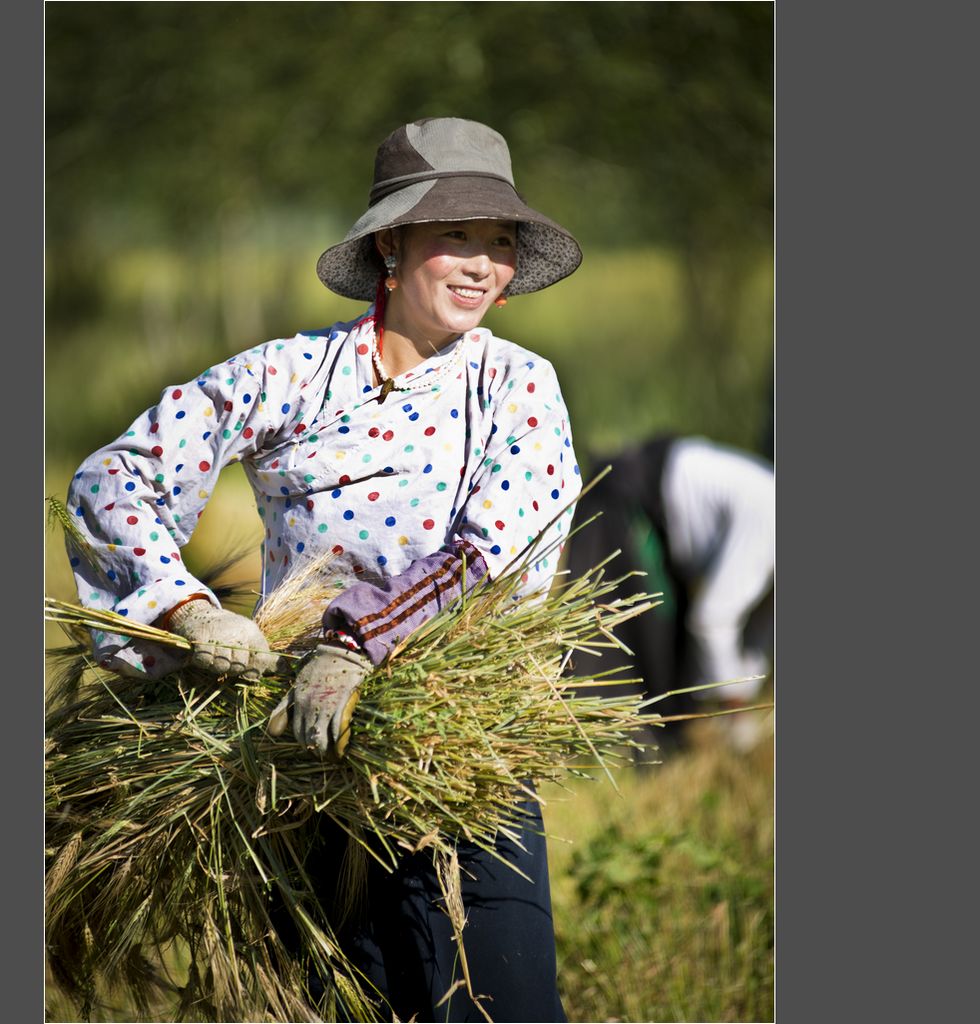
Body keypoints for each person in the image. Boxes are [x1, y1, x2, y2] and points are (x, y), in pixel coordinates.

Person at [64, 117, 583, 1022]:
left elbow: (491, 556)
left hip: (461, 764)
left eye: (499, 243)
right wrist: (190, 612)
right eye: (454, 235)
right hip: (302, 765)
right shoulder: (288, 376)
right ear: (391, 244)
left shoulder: (518, 385)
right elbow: (115, 480)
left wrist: (354, 645)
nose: (480, 263)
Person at [567, 434, 774, 753]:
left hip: (665, 507)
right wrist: (737, 708)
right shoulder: (769, 525)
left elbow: (758, 634)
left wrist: (739, 694)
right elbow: (712, 620)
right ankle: (608, 749)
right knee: (630, 650)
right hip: (632, 496)